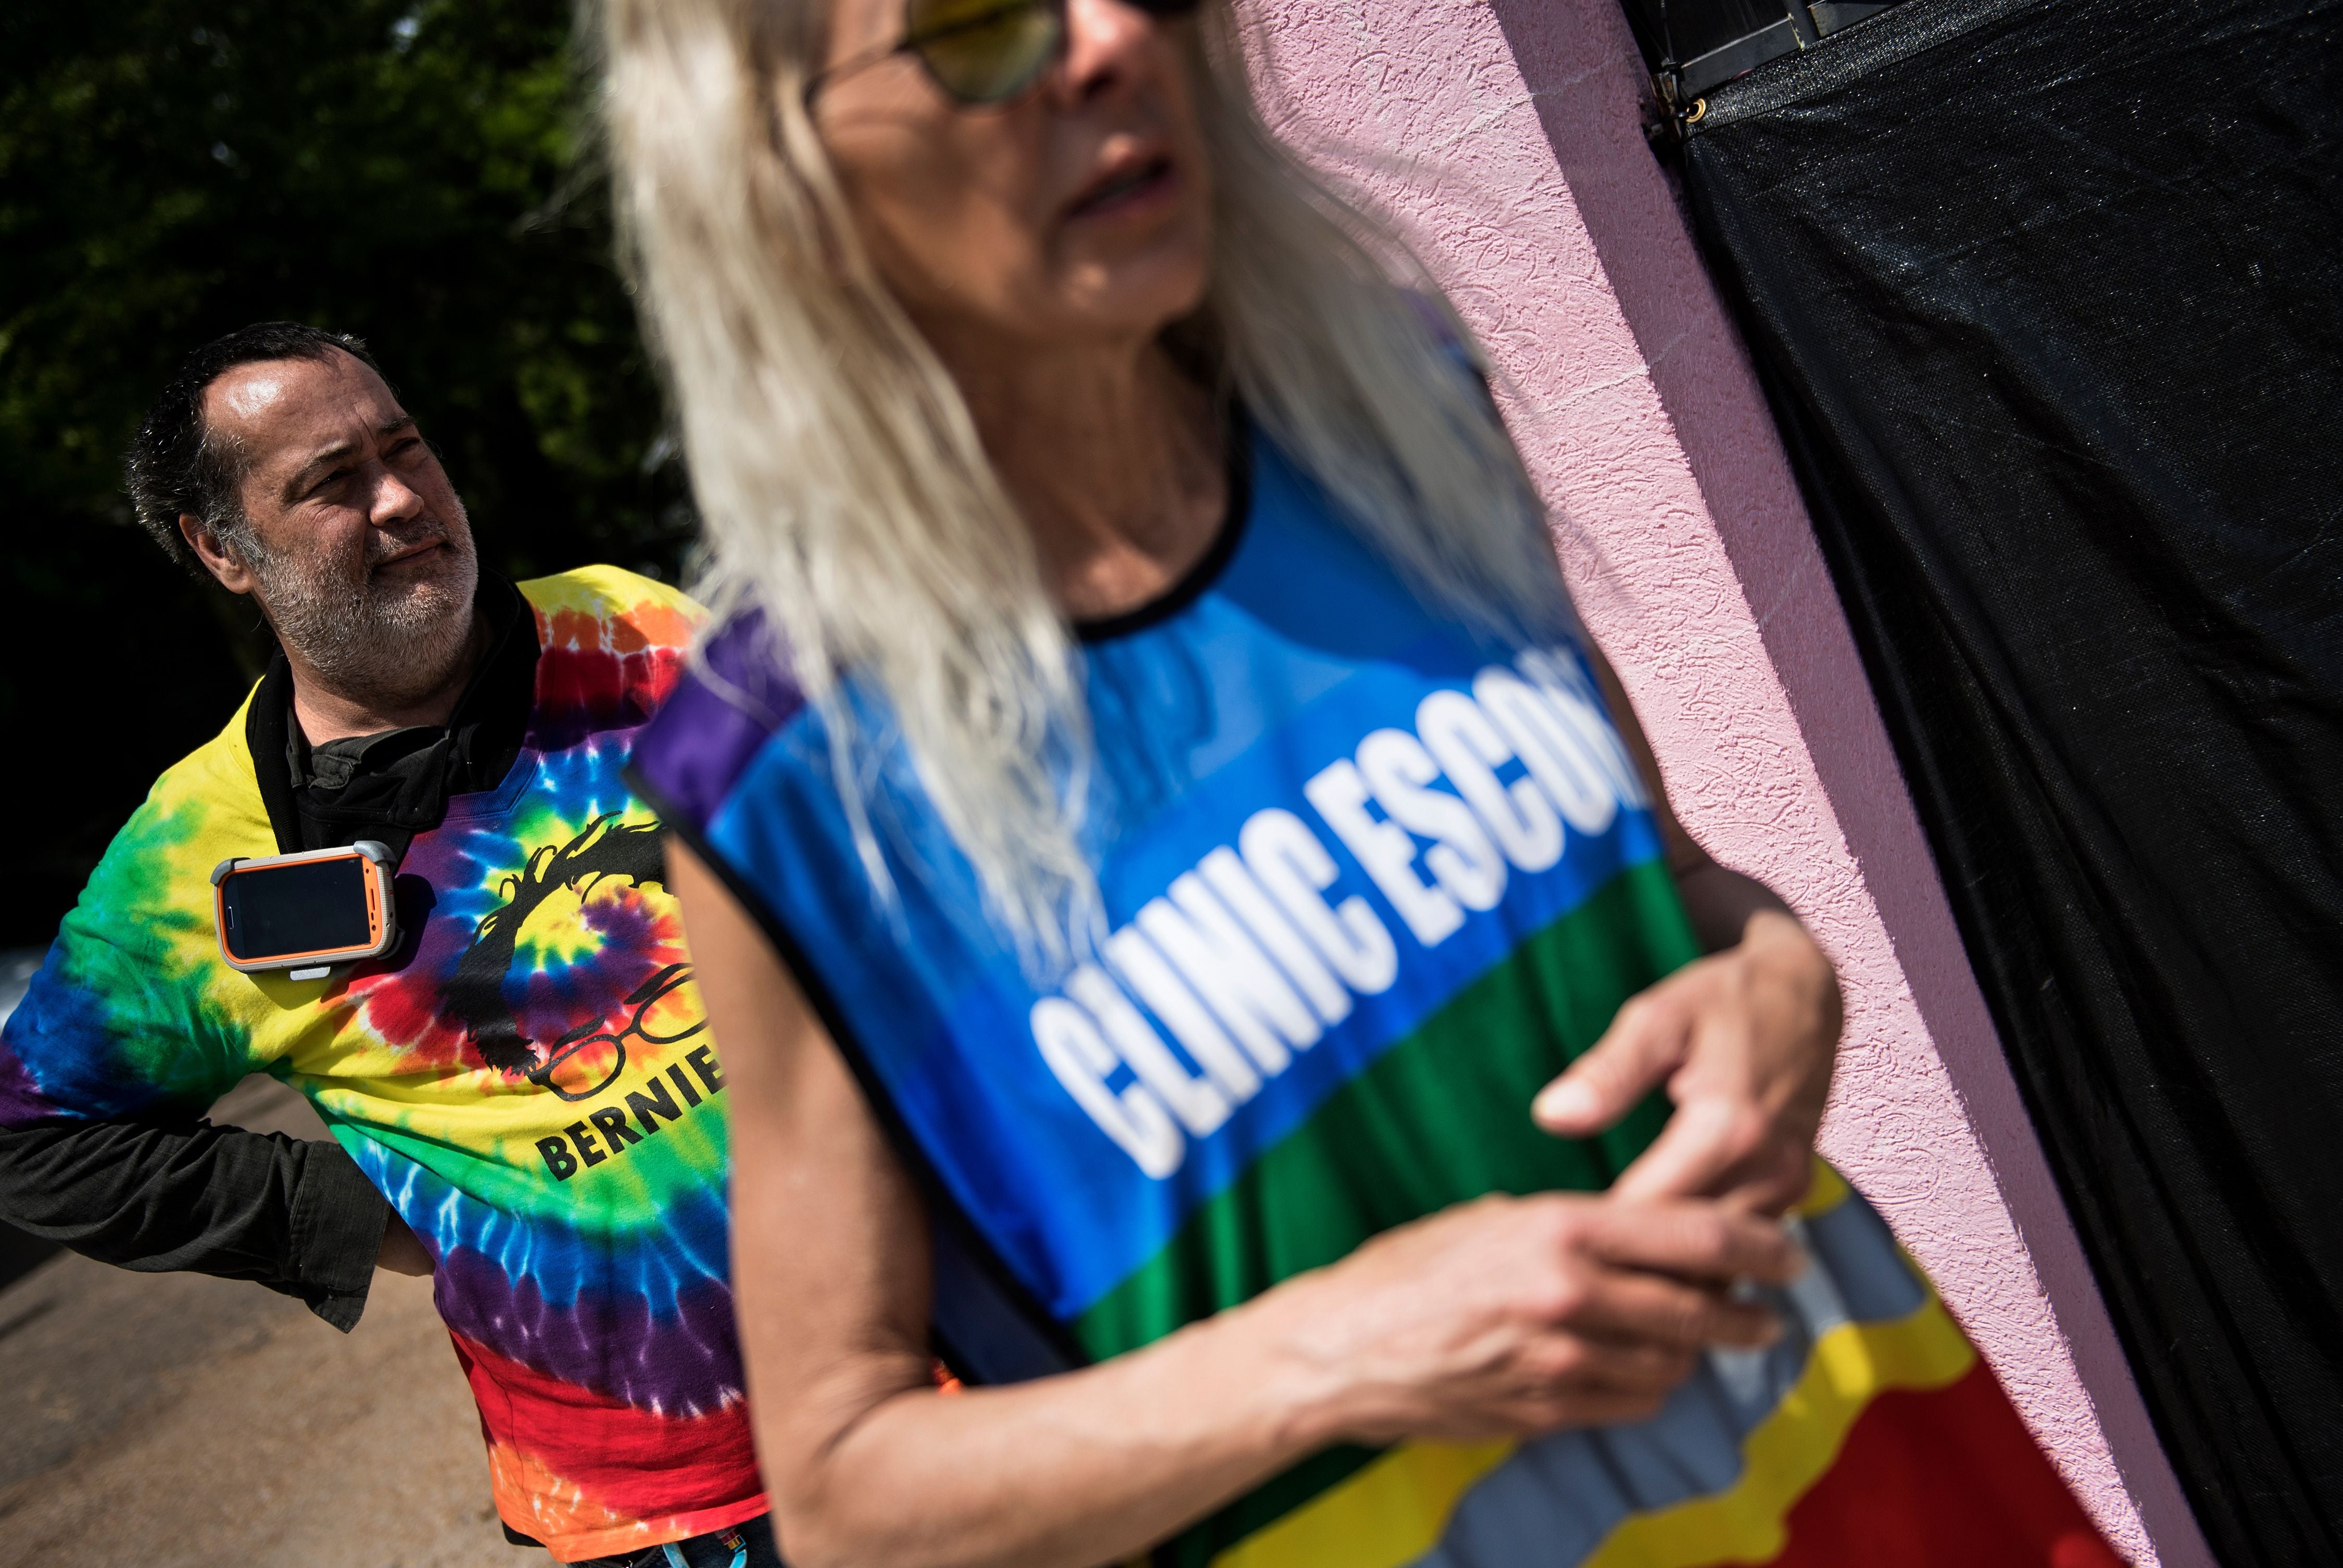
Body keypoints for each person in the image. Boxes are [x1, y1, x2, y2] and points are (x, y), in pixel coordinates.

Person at [603, 0, 2124, 1563]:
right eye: (985, 24)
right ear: (771, 165)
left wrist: (1780, 973)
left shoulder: (1393, 406)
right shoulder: (791, 787)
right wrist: (1331, 1354)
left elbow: (1672, 885)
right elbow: (854, 1494)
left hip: (1897, 1472)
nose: (1114, 42)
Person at [0, 323, 778, 1568]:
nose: (405, 498)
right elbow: (36, 1142)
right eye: (331, 481)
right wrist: (361, 1212)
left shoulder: (630, 628)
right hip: (660, 1502)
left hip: (949, 1342)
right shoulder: (196, 856)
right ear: (223, 550)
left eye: (403, 447)